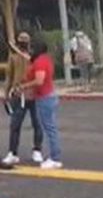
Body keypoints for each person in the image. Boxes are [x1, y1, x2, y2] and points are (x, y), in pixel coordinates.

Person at [14, 37, 62, 169]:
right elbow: (27, 57)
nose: (30, 49)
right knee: (50, 127)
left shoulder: (40, 62)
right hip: (48, 96)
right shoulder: (45, 59)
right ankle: (54, 156)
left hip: (45, 98)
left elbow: (39, 80)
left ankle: (55, 158)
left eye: (32, 47)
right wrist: (17, 49)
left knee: (49, 128)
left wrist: (24, 86)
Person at [3, 32, 44, 166]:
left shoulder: (33, 56)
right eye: (21, 40)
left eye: (25, 40)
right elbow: (9, 76)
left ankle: (37, 150)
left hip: (34, 94)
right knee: (15, 124)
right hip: (18, 94)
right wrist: (6, 93)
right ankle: (12, 153)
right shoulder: (13, 56)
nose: (23, 42)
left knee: (37, 123)